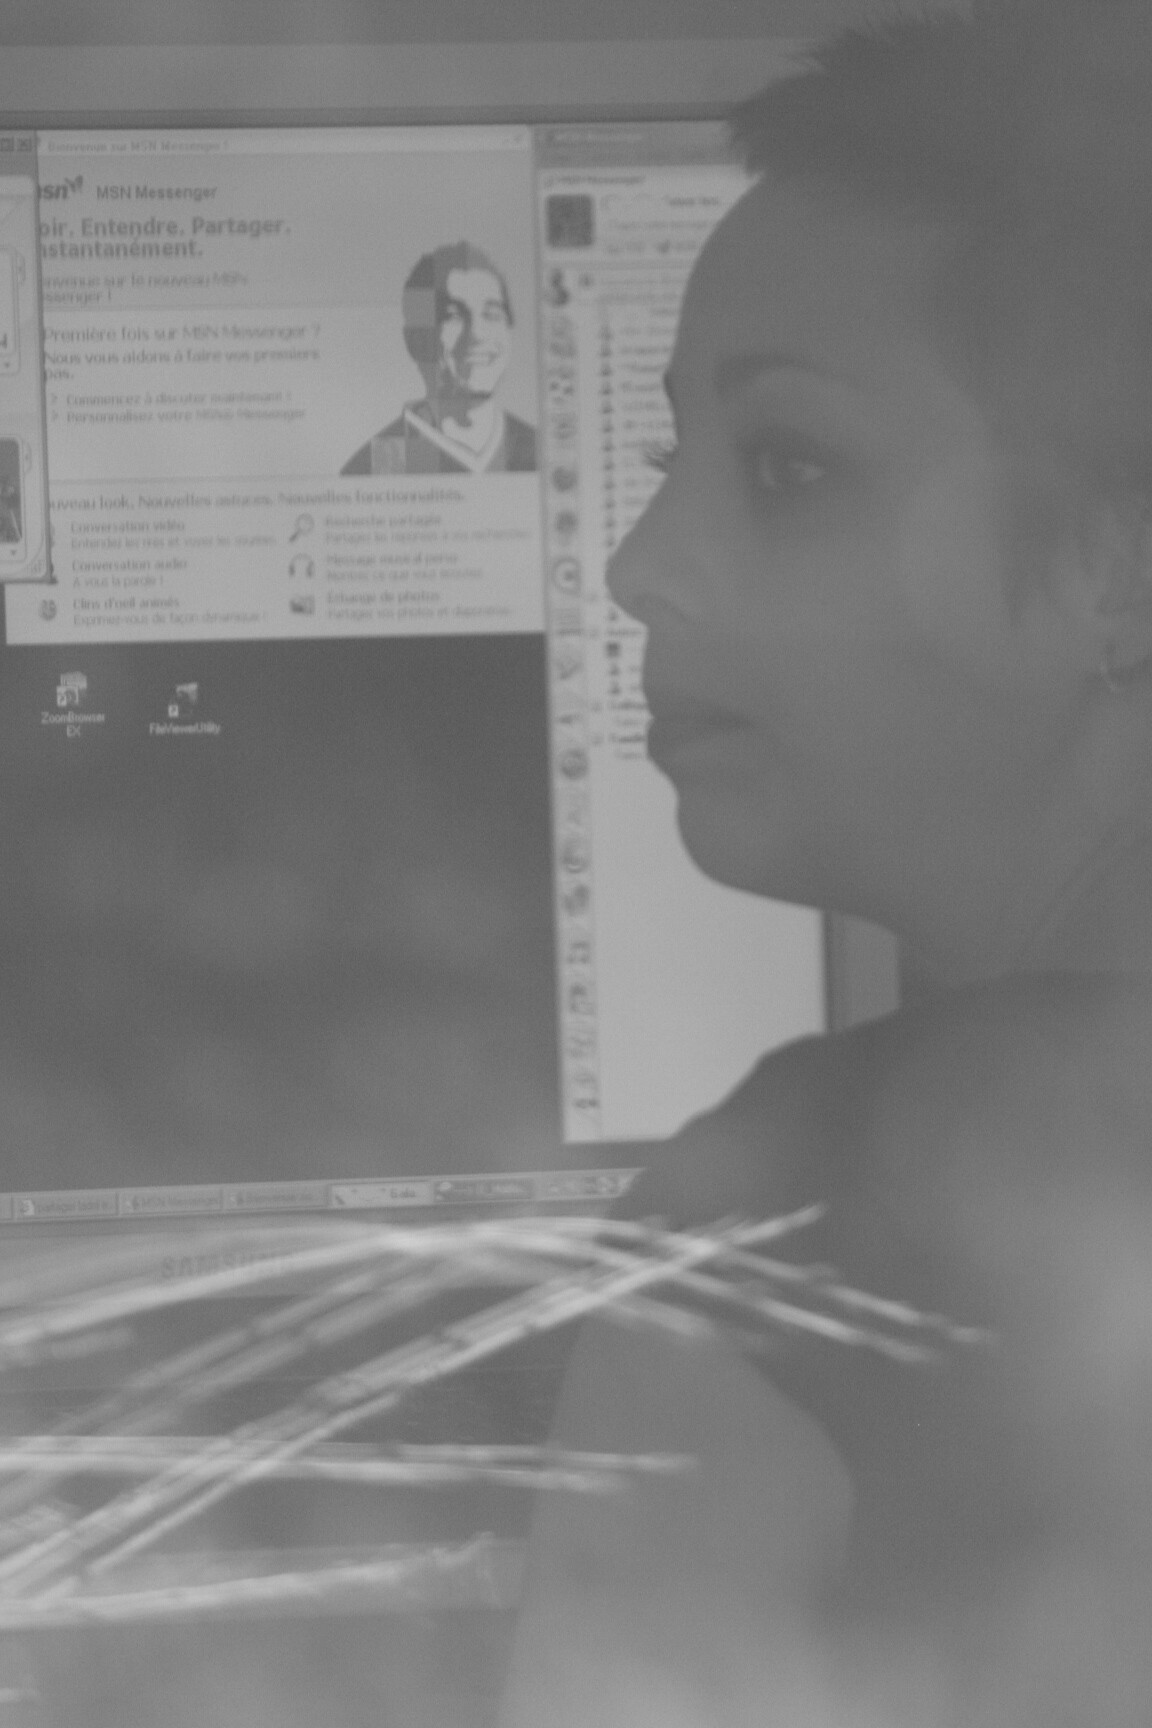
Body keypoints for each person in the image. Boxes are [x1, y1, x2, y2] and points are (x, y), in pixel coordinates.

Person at [500, 4, 1152, 1723]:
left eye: (787, 467)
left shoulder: (794, 1229)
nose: (642, 565)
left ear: (1117, 569)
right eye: (672, 461)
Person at [341, 241, 537, 476]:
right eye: (453, 316)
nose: (477, 334)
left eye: (492, 314)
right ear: (415, 341)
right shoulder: (376, 466)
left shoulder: (541, 450)